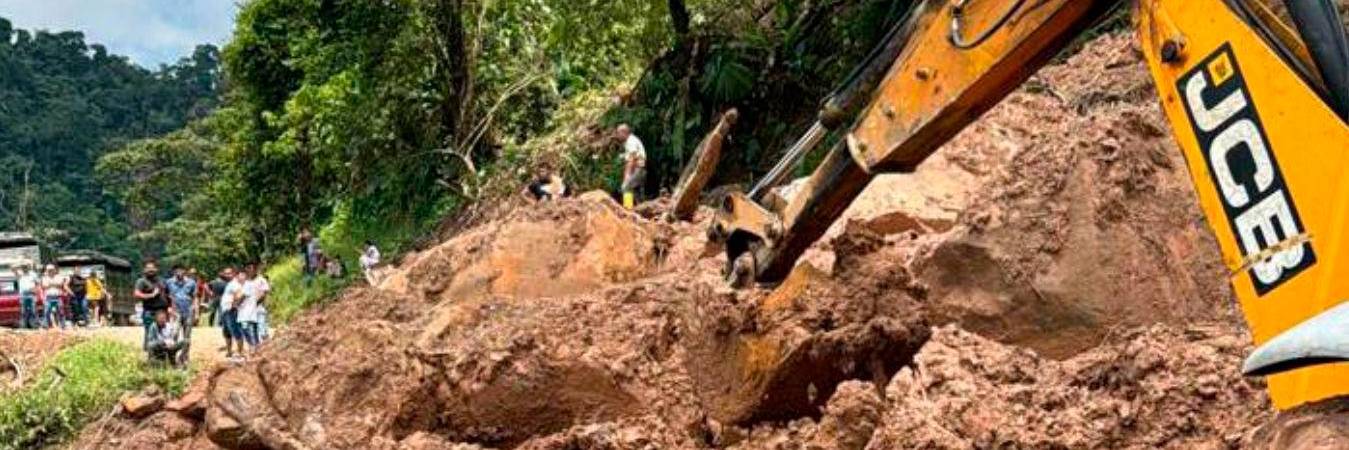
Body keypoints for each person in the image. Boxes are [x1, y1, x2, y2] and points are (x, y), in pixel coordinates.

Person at [166, 265, 198, 365]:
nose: (179, 272)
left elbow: (195, 297)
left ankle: (184, 357)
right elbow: (166, 295)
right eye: (176, 270)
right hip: (175, 313)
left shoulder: (191, 283)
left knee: (187, 336)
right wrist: (168, 308)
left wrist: (196, 312)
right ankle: (172, 357)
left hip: (188, 311)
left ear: (185, 271)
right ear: (174, 272)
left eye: (181, 270)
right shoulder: (169, 282)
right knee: (173, 335)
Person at [134, 261, 169, 348]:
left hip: (163, 311)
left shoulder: (161, 281)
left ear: (156, 269)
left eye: (152, 268)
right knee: (150, 332)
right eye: (148, 268)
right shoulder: (141, 281)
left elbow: (168, 294)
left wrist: (170, 307)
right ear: (144, 270)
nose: (150, 270)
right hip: (150, 311)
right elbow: (136, 294)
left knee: (164, 332)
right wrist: (151, 295)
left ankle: (161, 354)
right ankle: (149, 354)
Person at [616, 124, 647, 209]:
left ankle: (628, 209)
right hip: (640, 168)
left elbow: (632, 158)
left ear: (624, 132)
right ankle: (642, 211)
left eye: (618, 133)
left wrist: (627, 174)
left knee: (626, 187)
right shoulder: (631, 140)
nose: (617, 135)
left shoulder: (630, 141)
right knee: (637, 192)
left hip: (638, 168)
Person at [219, 267, 246, 359]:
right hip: (225, 310)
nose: (227, 275)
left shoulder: (234, 284)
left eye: (229, 273)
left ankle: (240, 352)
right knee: (226, 332)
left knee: (236, 331)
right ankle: (229, 351)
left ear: (234, 274)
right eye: (226, 273)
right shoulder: (229, 284)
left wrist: (234, 305)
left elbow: (240, 294)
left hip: (231, 311)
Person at [237, 265, 263, 352]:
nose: (239, 277)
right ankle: (256, 351)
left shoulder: (247, 285)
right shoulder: (248, 285)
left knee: (249, 333)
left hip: (247, 315)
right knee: (253, 335)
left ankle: (254, 351)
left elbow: (241, 297)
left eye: (241, 275)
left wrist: (235, 303)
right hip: (249, 315)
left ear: (245, 275)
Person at [39, 265, 67, 329]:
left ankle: (63, 326)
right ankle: (47, 326)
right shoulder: (44, 278)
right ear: (47, 271)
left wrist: (51, 284)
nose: (50, 271)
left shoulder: (58, 277)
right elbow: (44, 286)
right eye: (49, 270)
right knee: (47, 312)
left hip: (57, 297)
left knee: (61, 312)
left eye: (52, 270)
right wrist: (54, 284)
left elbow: (60, 284)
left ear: (54, 270)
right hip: (48, 297)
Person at [16, 265, 38, 329]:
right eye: (23, 267)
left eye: (26, 267)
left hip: (32, 294)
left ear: (28, 268)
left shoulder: (33, 275)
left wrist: (35, 290)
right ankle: (24, 326)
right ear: (21, 268)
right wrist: (20, 262)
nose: (24, 268)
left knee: (33, 311)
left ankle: (34, 326)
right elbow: (12, 267)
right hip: (23, 295)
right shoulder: (19, 274)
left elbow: (38, 283)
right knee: (23, 311)